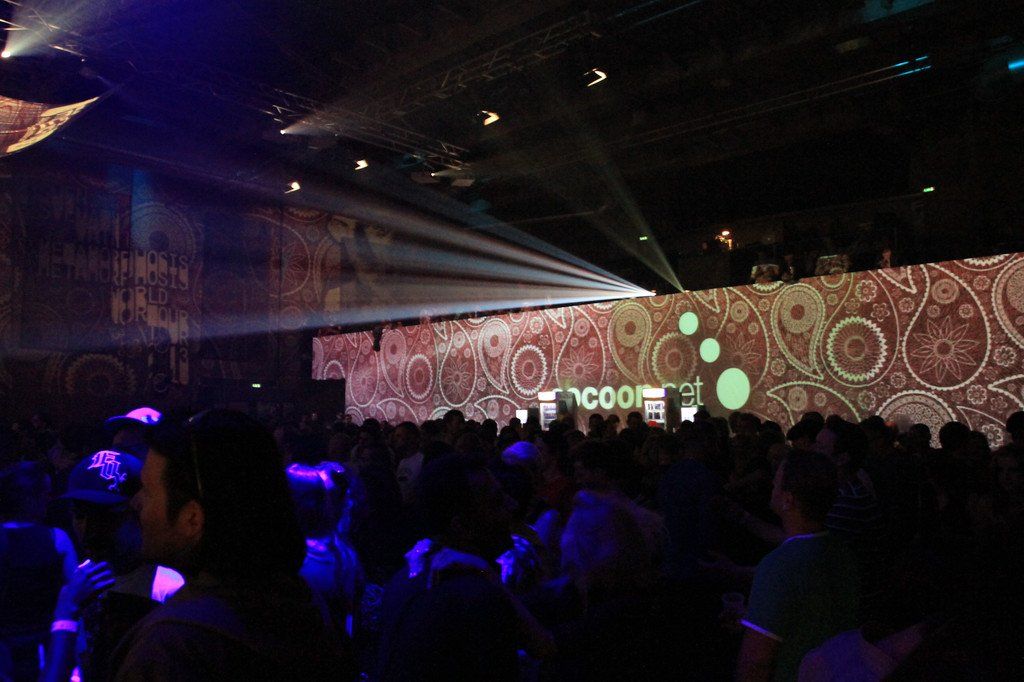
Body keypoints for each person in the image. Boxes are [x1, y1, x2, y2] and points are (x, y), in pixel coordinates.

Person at [109, 409, 351, 680]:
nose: (136, 503)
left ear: (192, 518)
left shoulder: (172, 648)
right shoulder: (303, 605)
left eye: (148, 491)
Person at [376, 454, 553, 681]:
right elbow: (543, 651)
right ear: (461, 526)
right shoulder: (476, 595)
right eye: (497, 501)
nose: (513, 504)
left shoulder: (407, 575)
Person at [43, 450, 184, 682]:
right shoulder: (82, 576)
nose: (89, 530)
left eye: (105, 517)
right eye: (80, 515)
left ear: (140, 512)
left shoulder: (168, 586)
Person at [737, 452, 859, 682]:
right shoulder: (841, 551)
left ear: (788, 500)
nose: (772, 487)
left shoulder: (780, 564)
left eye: (776, 483)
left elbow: (756, 662)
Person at [0, 462, 77, 681]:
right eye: (46, 493)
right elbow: (75, 596)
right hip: (48, 648)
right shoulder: (57, 539)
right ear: (30, 497)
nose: (50, 499)